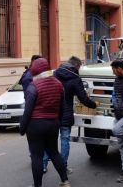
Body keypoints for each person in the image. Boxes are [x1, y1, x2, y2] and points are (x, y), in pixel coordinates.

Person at [19, 58, 70, 187]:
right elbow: (62, 107)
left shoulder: (33, 86)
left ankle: (38, 185)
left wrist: (22, 128)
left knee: (36, 156)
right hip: (53, 123)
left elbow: (28, 111)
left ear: (35, 70)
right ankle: (65, 181)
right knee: (54, 152)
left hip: (36, 125)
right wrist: (57, 121)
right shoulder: (58, 84)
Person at [45, 56, 97, 174]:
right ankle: (63, 167)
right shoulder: (75, 78)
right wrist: (93, 105)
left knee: (48, 140)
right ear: (77, 66)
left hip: (52, 112)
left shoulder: (54, 73)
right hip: (66, 113)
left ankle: (43, 165)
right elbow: (83, 98)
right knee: (64, 139)